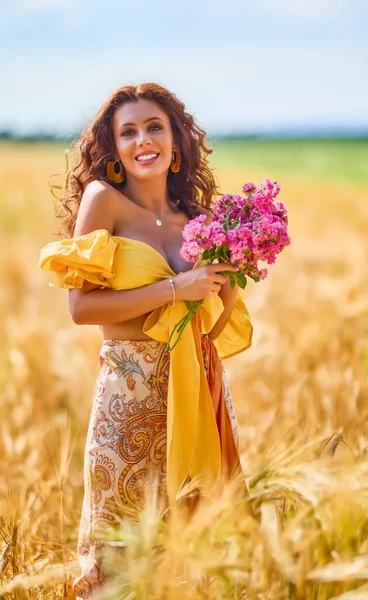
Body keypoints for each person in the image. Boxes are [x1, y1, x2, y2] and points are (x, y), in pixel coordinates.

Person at [38, 82, 253, 598]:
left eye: (154, 127)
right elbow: (81, 307)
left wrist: (224, 290)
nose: (143, 140)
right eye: (128, 132)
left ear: (176, 141)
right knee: (118, 560)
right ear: (114, 149)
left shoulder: (197, 222)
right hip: (127, 402)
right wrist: (176, 286)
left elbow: (212, 329)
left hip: (198, 390)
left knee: (197, 556)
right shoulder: (104, 202)